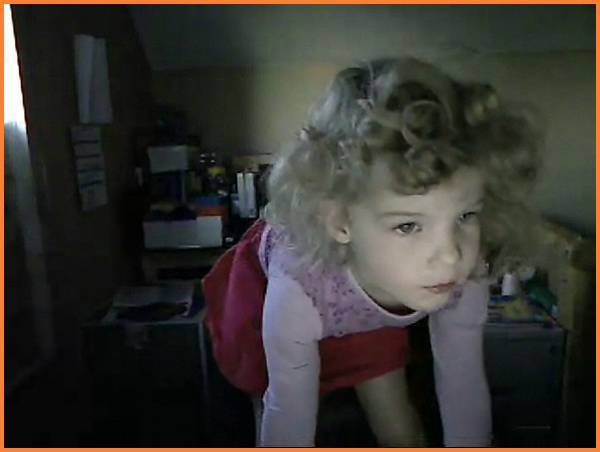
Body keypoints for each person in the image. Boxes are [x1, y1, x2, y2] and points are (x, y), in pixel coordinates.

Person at [203, 57, 540, 447]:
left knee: (403, 433)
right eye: (408, 225)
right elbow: (287, 411)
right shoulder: (297, 288)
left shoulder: (464, 268)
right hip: (279, 291)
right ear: (340, 220)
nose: (449, 255)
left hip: (369, 294)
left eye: (465, 215)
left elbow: (463, 380)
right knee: (281, 398)